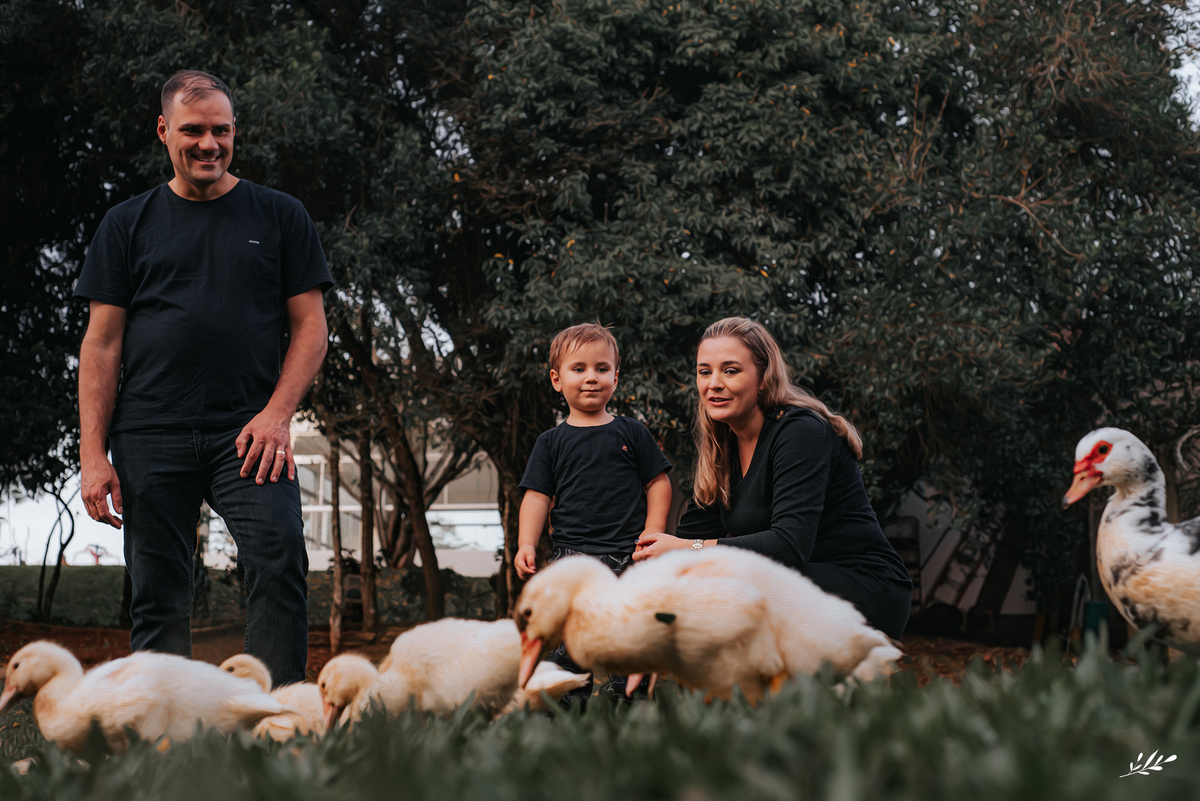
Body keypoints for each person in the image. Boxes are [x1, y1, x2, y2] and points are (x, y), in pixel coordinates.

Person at [74, 70, 332, 684]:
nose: (209, 143)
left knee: (277, 559)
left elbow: (312, 330)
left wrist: (276, 416)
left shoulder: (280, 215)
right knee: (157, 590)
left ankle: (273, 723)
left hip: (249, 434)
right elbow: (101, 346)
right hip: (148, 434)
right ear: (165, 131)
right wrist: (92, 452)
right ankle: (163, 731)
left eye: (221, 130)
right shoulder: (125, 224)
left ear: (234, 131)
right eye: (193, 130)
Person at [633, 317, 912, 639]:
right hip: (788, 585)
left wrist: (689, 549)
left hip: (863, 586)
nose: (714, 383)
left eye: (731, 370)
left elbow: (788, 546)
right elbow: (690, 536)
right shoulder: (722, 446)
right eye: (705, 371)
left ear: (763, 377)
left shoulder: (801, 432)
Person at [515, 323, 673, 700]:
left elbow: (659, 483)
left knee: (628, 642)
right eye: (578, 369)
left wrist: (651, 536)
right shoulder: (550, 442)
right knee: (565, 647)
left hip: (627, 558)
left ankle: (632, 709)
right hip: (571, 560)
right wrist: (526, 544)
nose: (591, 378)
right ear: (556, 379)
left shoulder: (631, 432)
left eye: (602, 369)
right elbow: (536, 497)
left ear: (616, 378)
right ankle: (564, 715)